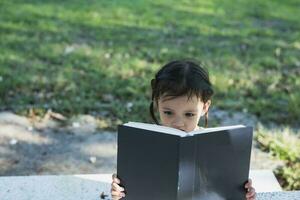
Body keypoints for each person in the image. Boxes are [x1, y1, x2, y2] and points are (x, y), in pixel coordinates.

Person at [110, 60, 256, 200]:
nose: (178, 123)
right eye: (168, 112)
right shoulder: (144, 141)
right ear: (157, 104)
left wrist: (244, 193)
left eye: (189, 114)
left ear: (205, 107)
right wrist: (120, 191)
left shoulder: (216, 146)